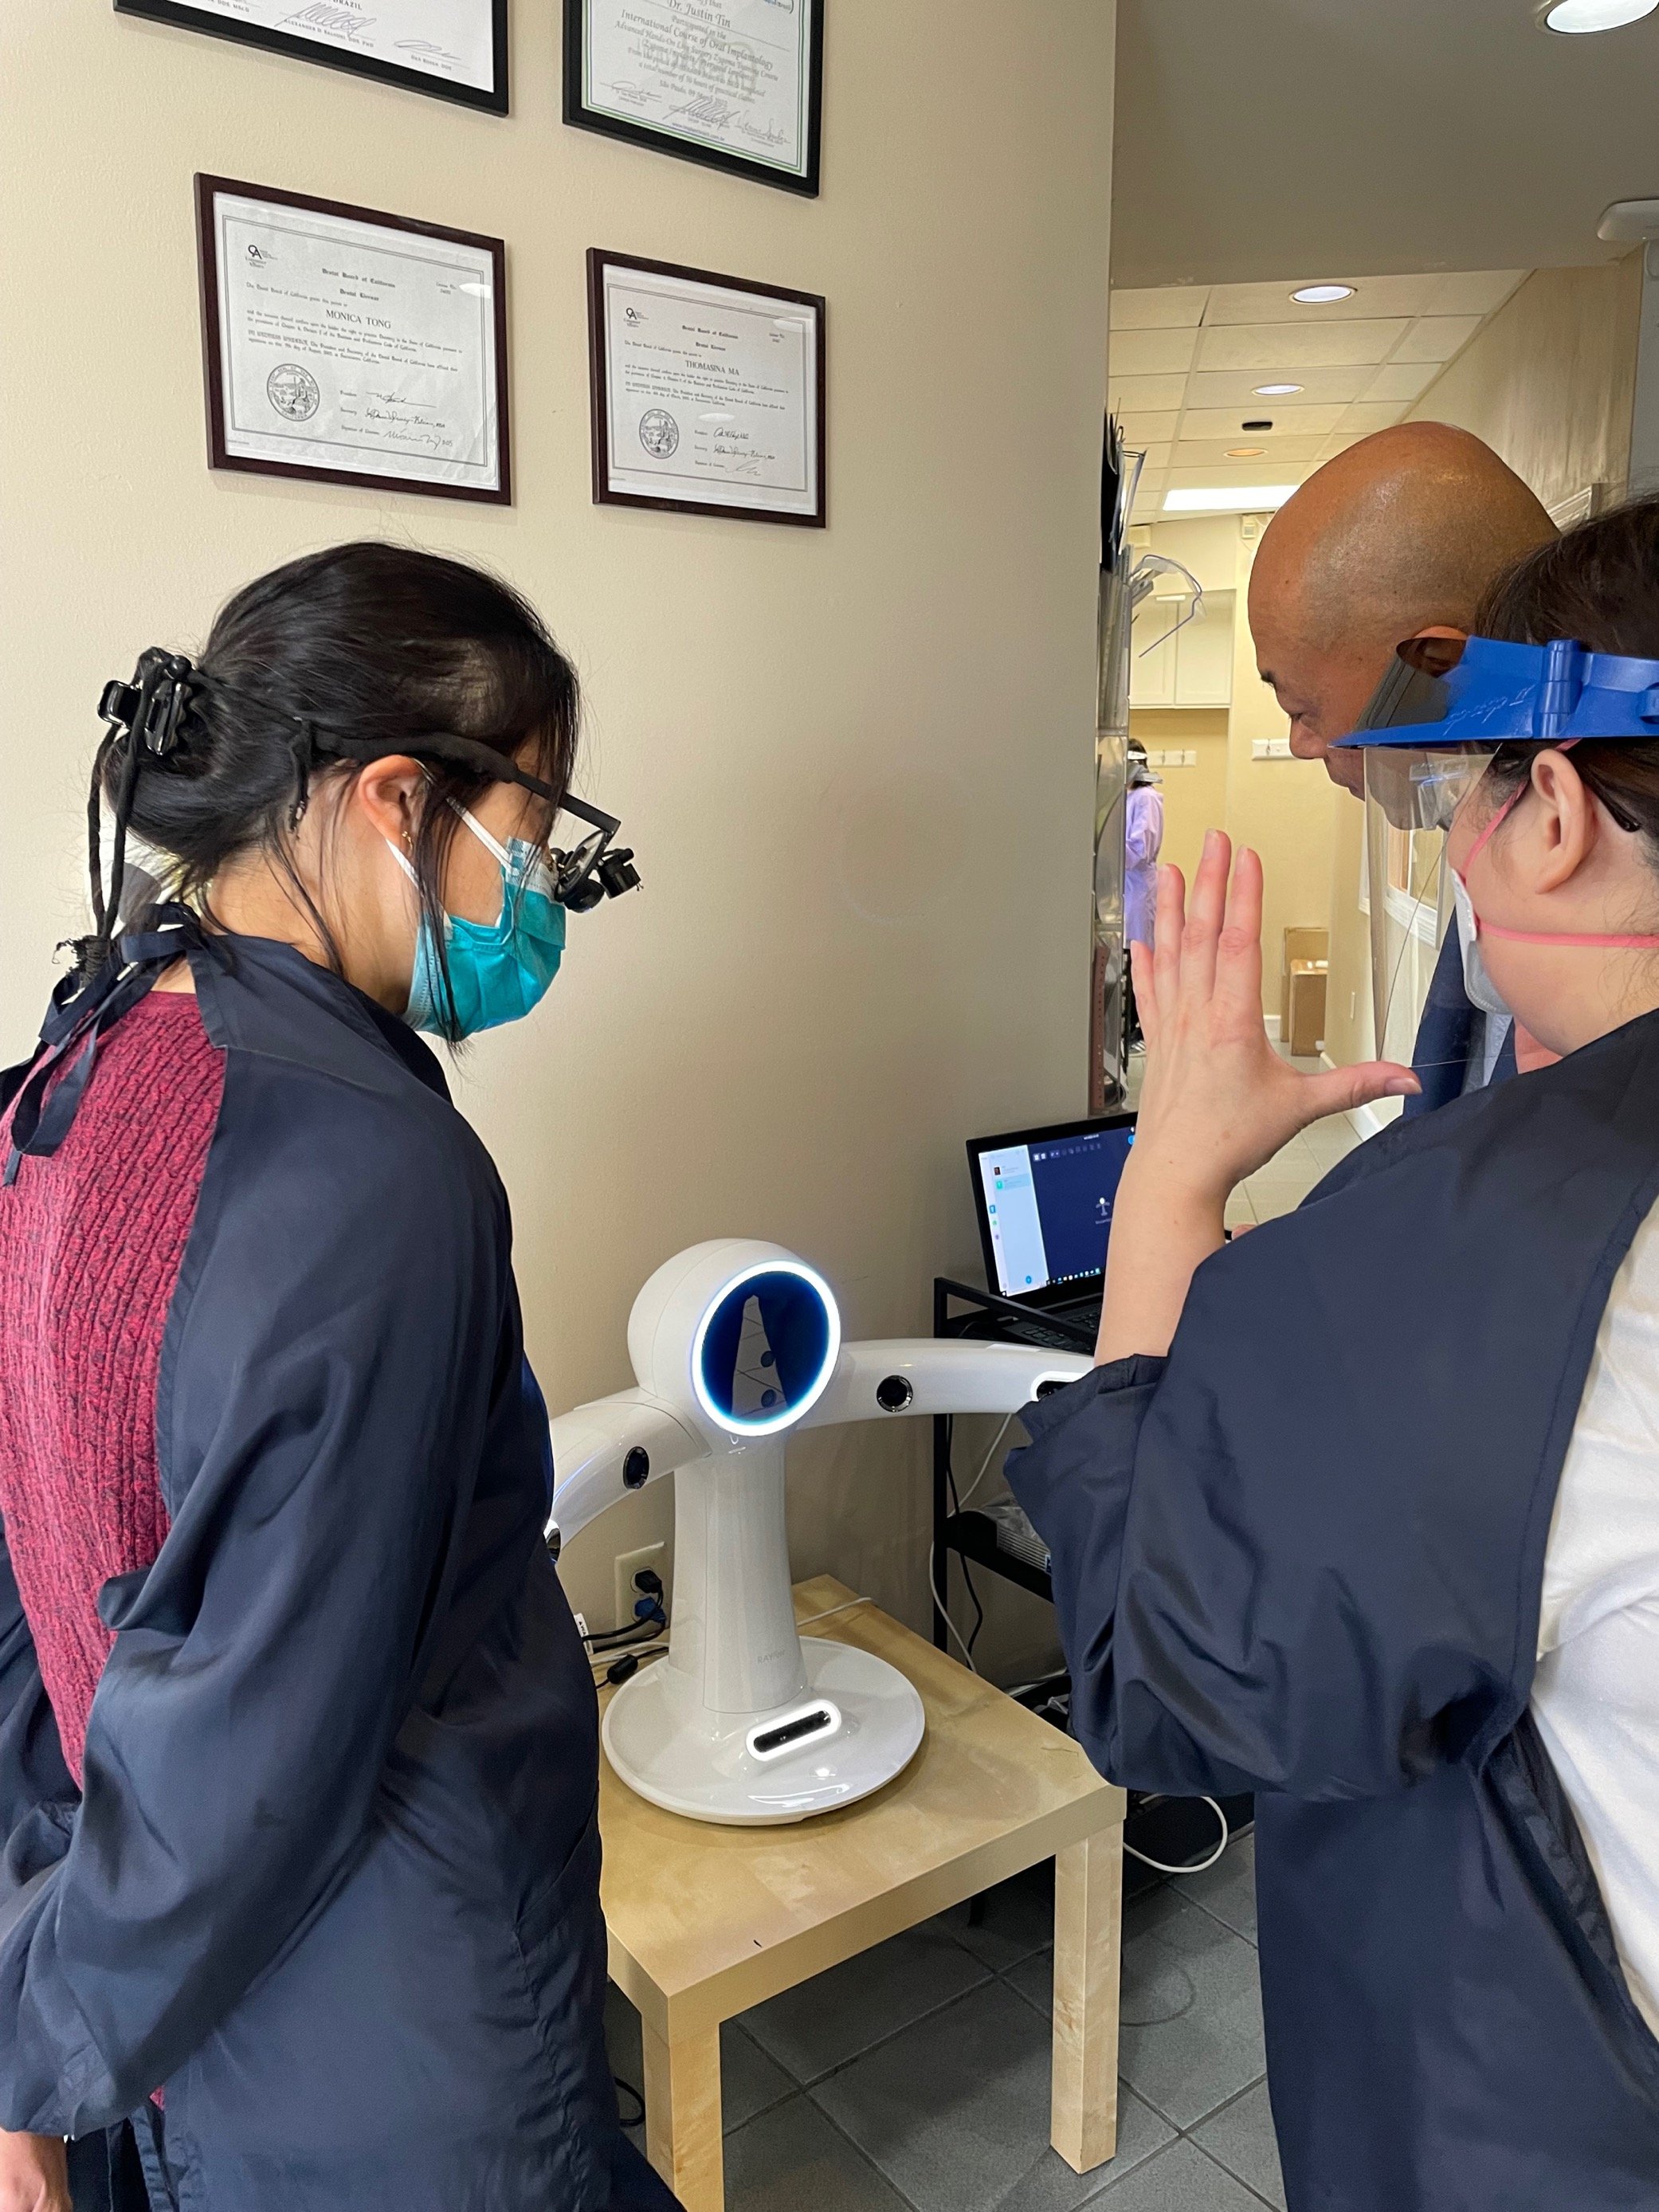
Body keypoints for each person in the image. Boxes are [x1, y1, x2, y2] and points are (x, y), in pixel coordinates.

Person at [0, 544, 676, 2212]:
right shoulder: (387, 1175)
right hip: (392, 2033)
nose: (534, 899)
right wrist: (37, 2027)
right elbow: (256, 1740)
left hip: (168, 2018)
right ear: (394, 797)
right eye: (527, 845)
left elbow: (32, 1572)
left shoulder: (66, 1074)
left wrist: (37, 1989)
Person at [1006, 497, 1659, 2210]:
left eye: (1472, 790)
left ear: (1560, 810)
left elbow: (1159, 1671)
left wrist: (1172, 1176)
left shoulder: (1474, 1244)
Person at [1248, 421, 1556, 1108]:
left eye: (1302, 709)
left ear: (1438, 668)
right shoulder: (1494, 843)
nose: (1302, 745)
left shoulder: (1588, 952)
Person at [1123, 743, 1163, 1050]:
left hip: (1138, 887)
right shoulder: (1126, 797)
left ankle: (1140, 1029)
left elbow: (1139, 850)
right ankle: (1126, 1028)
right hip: (1125, 885)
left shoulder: (1147, 798)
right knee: (1125, 957)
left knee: (1139, 957)